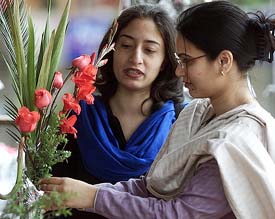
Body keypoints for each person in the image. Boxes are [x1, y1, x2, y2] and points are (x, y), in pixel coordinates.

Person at [40, 1, 275, 218]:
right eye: (126, 45)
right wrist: (88, 193)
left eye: (187, 61)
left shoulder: (237, 139)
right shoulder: (198, 114)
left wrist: (94, 197)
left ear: (224, 61)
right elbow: (153, 186)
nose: (179, 71)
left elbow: (178, 214)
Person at [51, 3, 184, 219]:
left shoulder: (181, 122)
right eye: (126, 45)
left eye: (149, 50)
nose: (136, 58)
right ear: (111, 51)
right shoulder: (78, 115)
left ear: (165, 61)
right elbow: (52, 199)